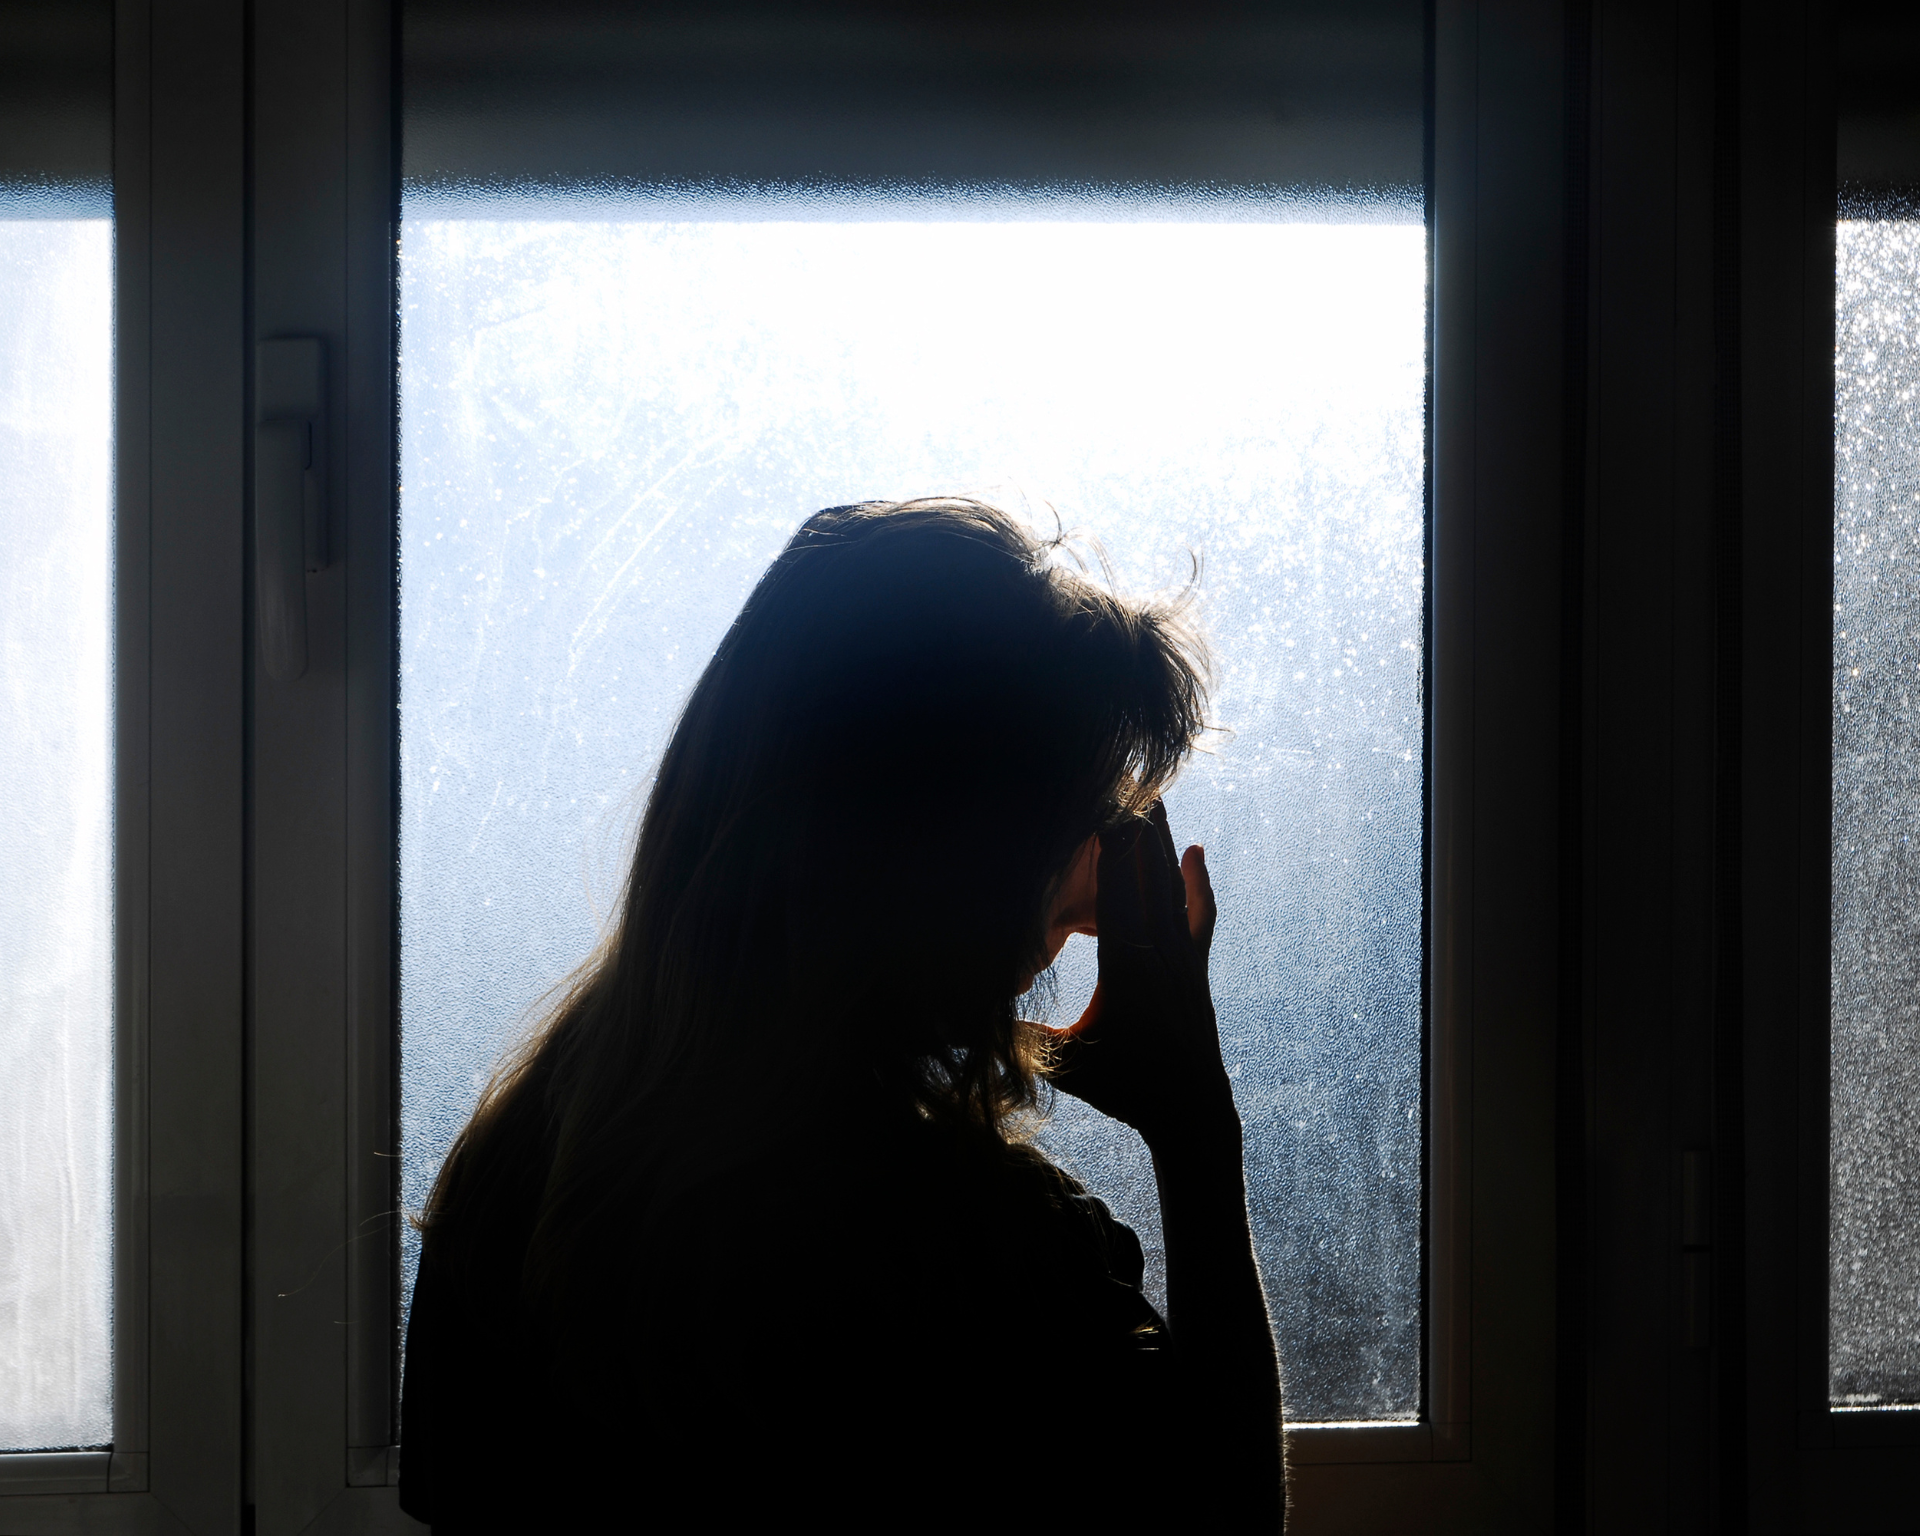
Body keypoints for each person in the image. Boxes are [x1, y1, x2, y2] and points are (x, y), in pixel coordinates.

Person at [398, 498, 1283, 1530]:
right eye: (1080, 830)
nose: (1092, 911)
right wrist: (1196, 1139)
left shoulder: (512, 1188)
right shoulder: (986, 1260)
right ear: (949, 859)